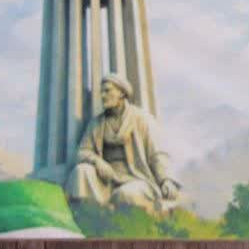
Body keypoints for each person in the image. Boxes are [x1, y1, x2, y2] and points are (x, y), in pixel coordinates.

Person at [66, 73, 180, 214]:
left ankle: (113, 215)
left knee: (126, 195)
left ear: (121, 93)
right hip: (107, 181)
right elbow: (82, 151)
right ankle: (88, 215)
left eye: (107, 90)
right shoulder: (97, 123)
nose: (102, 96)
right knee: (81, 171)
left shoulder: (142, 119)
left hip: (136, 179)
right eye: (101, 92)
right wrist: (97, 161)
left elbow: (157, 154)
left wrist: (165, 180)